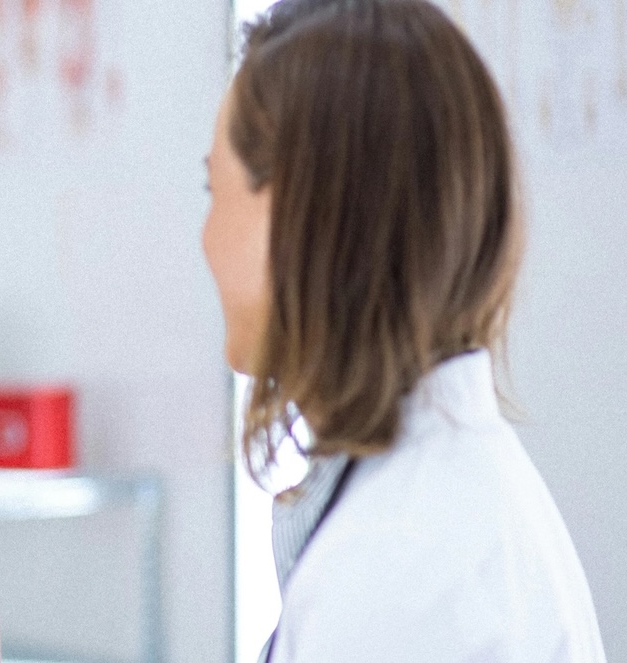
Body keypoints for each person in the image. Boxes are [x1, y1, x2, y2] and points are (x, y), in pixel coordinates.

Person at [202, 0, 606, 660]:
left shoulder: (398, 564)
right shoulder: (433, 501)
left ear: (308, 218)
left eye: (214, 191)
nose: (205, 240)